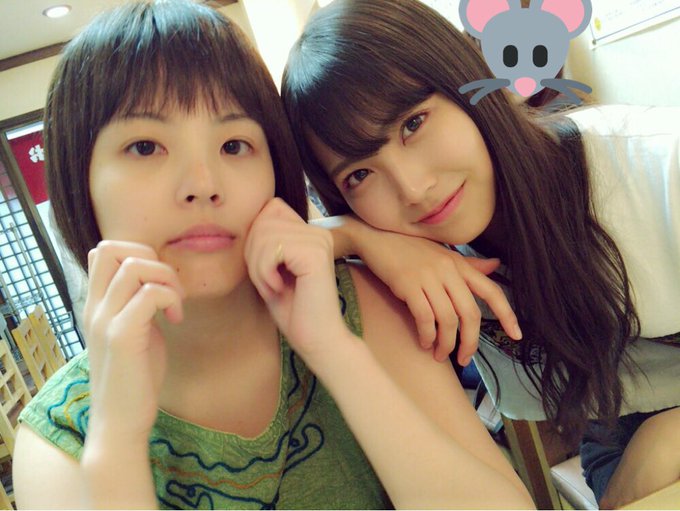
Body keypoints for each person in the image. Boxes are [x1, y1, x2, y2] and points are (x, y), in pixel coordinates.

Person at [11, 1, 534, 509]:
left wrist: (332, 349)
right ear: (79, 181)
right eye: (145, 147)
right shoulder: (62, 437)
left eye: (233, 145)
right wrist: (118, 439)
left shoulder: (357, 306)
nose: (203, 184)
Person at [280, 0, 680, 507]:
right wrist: (358, 237)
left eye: (413, 124)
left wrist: (665, 438)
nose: (413, 188)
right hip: (618, 427)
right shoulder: (423, 263)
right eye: (359, 174)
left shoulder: (657, 168)